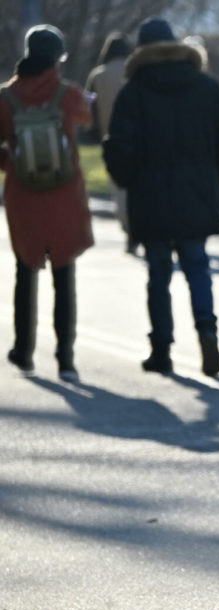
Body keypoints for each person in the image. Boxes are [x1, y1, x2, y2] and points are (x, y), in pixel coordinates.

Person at [103, 17, 219, 377]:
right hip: (197, 194)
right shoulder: (206, 87)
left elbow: (118, 150)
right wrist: (218, 192)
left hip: (151, 198)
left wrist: (127, 180)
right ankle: (207, 331)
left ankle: (161, 349)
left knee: (158, 275)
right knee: (198, 267)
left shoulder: (132, 93)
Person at [1, 24, 94, 383]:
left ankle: (24, 351)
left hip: (23, 196)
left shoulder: (6, 98)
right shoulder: (67, 95)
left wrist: (11, 162)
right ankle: (66, 360)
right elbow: (87, 117)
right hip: (64, 196)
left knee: (25, 272)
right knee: (64, 275)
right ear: (57, 57)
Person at [85, 32, 134, 253]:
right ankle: (137, 229)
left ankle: (128, 228)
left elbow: (89, 110)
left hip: (109, 137)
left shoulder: (98, 76)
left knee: (120, 189)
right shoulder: (134, 72)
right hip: (136, 137)